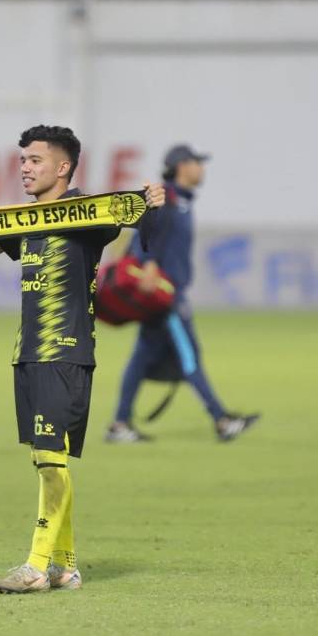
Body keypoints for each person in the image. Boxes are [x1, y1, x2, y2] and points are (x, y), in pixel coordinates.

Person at [0, 125, 165, 594]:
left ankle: (36, 564)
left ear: (63, 167)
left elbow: (120, 213)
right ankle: (66, 567)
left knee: (50, 461)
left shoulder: (86, 214)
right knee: (48, 461)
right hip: (28, 353)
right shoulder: (28, 219)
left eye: (34, 160)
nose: (25, 169)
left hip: (66, 352)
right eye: (22, 162)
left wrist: (146, 199)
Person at [105, 144, 259, 443]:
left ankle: (119, 424)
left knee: (140, 360)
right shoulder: (170, 198)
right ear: (181, 165)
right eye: (197, 162)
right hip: (165, 297)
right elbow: (145, 228)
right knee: (189, 359)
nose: (202, 168)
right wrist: (148, 262)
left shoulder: (182, 201)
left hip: (165, 294)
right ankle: (222, 421)